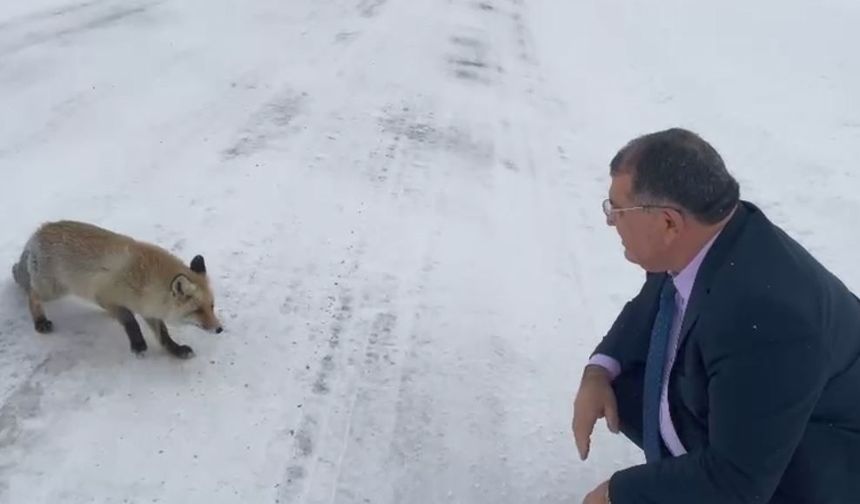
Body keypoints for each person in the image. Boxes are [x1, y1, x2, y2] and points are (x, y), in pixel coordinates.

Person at [571, 128, 860, 503]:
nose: (610, 221)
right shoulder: (713, 236)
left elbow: (738, 481)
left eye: (616, 209)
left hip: (830, 455)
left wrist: (618, 493)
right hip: (776, 401)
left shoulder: (765, 315)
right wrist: (599, 371)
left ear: (668, 223)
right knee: (626, 381)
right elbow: (654, 299)